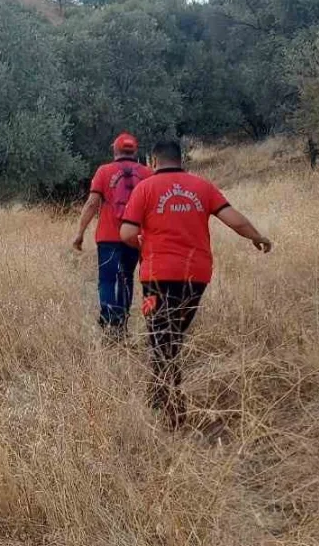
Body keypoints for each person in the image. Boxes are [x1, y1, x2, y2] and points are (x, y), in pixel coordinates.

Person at [119, 139, 272, 428]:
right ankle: (158, 394)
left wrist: (142, 243)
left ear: (153, 161)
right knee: (171, 336)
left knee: (163, 340)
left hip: (157, 274)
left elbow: (127, 232)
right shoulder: (202, 186)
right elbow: (233, 219)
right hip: (196, 275)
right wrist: (256, 236)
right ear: (180, 159)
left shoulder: (145, 188)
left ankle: (173, 412)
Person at [72, 132, 153, 339]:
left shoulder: (104, 171)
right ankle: (122, 324)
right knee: (126, 278)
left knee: (107, 281)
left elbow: (92, 203)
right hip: (135, 237)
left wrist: (79, 233)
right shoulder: (147, 173)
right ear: (135, 151)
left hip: (108, 237)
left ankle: (110, 324)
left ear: (115, 150)